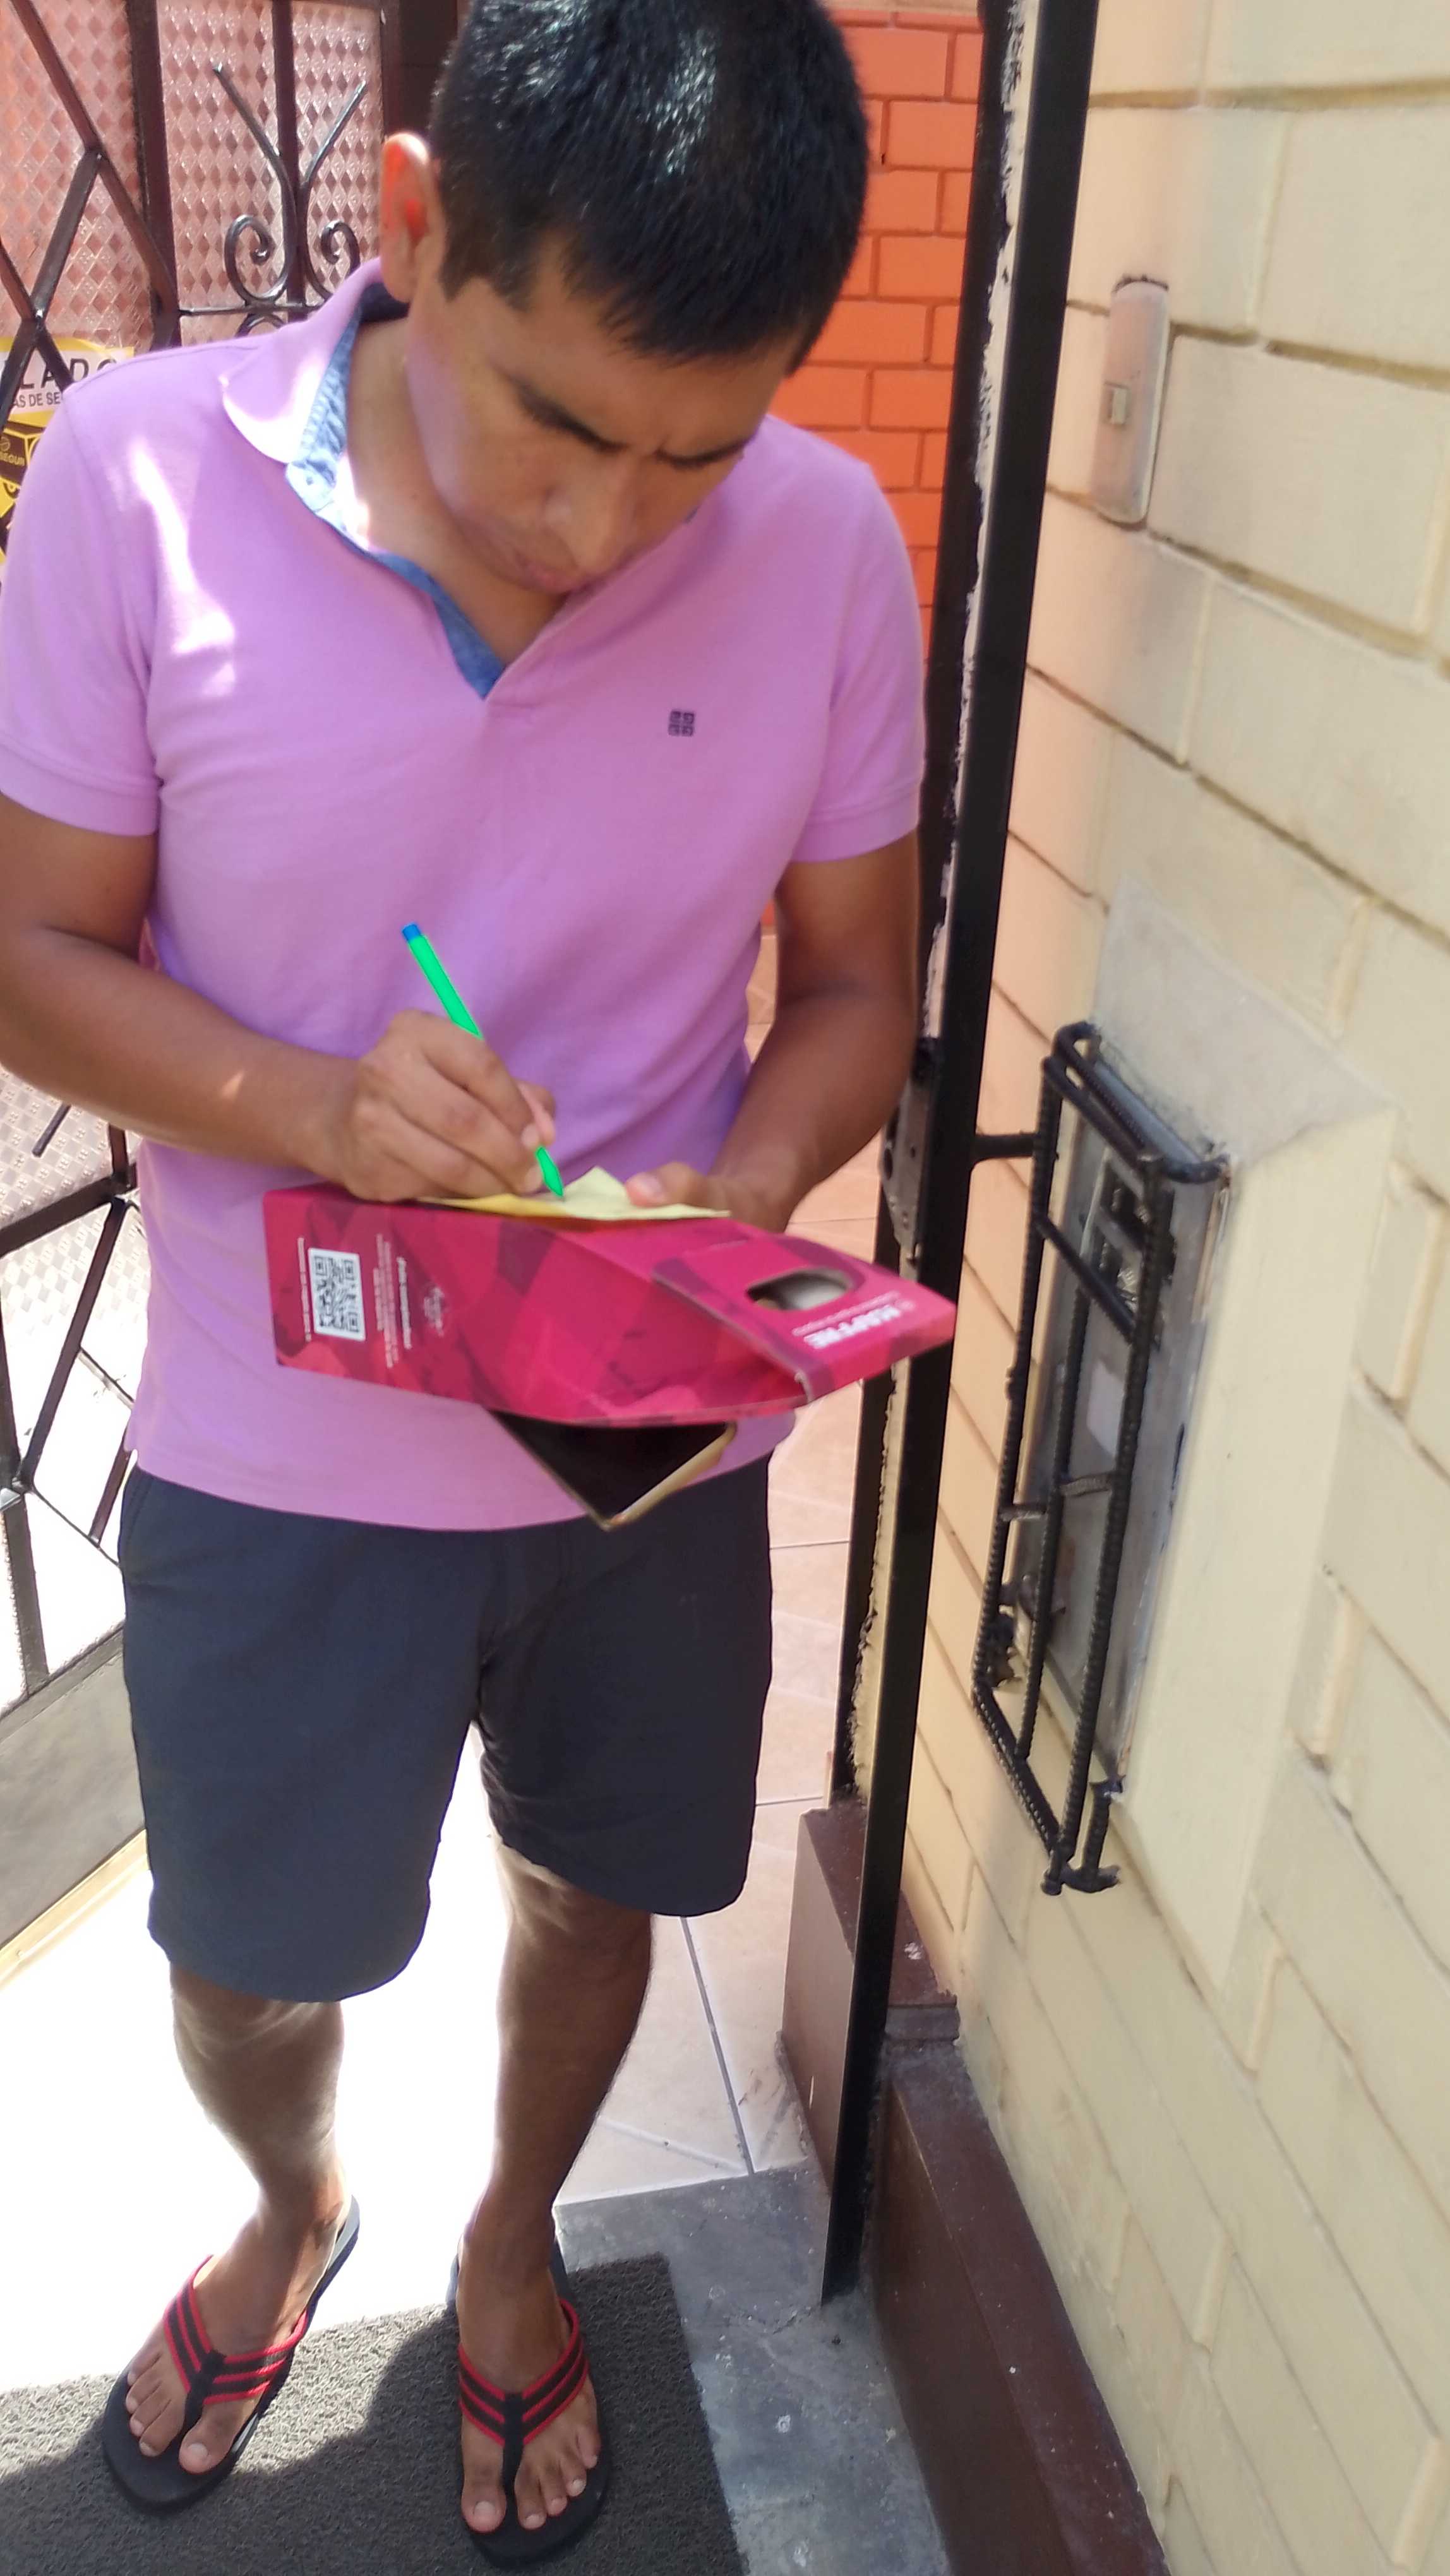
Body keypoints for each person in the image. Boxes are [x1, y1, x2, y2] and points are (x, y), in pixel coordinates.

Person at [0, 0, 923, 2553]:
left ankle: (514, 2238)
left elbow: (860, 985)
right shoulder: (137, 477)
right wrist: (315, 1106)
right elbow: (28, 957)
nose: (610, 526)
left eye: (695, 453)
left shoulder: (831, 547)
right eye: (557, 425)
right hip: (278, 1436)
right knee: (247, 1959)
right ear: (414, 228)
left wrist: (748, 1179)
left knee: (598, 1887)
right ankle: (296, 2206)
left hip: (639, 1434)